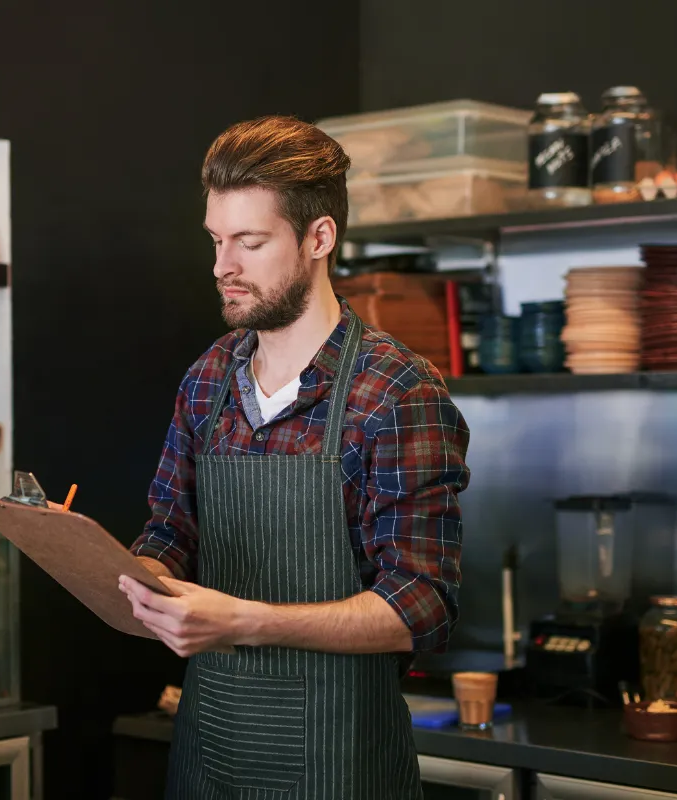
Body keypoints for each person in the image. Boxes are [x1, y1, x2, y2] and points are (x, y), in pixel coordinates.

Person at [119, 115, 471, 799]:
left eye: (250, 242)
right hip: (207, 759)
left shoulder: (395, 392)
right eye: (218, 241)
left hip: (339, 768)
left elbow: (422, 604)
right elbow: (172, 532)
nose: (223, 266)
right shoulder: (208, 378)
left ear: (319, 237)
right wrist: (132, 575)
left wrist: (247, 621)